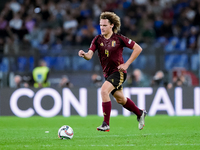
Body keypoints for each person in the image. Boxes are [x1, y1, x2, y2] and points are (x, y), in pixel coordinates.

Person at [78, 12, 147, 132]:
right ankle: (140, 113)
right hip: (108, 74)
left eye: (104, 25)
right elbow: (89, 55)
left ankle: (106, 124)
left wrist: (126, 64)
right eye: (100, 25)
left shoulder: (119, 38)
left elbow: (138, 48)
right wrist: (84, 55)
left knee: (104, 91)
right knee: (120, 100)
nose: (102, 28)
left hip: (119, 72)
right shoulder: (97, 39)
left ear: (112, 25)